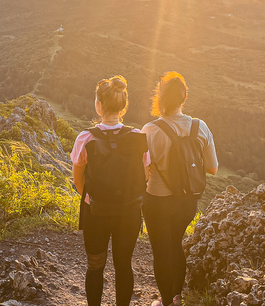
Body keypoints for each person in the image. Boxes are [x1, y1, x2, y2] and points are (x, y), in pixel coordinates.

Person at [142, 72, 218, 306]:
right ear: (185, 96)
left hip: (157, 200)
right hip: (187, 201)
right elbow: (213, 168)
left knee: (161, 250)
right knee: (176, 243)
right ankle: (176, 297)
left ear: (159, 98)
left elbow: (143, 173)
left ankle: (164, 301)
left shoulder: (150, 130)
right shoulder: (200, 127)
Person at [71, 75, 148, 306]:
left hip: (95, 212)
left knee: (95, 265)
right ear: (124, 106)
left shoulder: (85, 138)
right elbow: (145, 176)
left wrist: (96, 199)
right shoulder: (138, 138)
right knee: (124, 265)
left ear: (99, 105)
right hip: (129, 212)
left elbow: (78, 181)